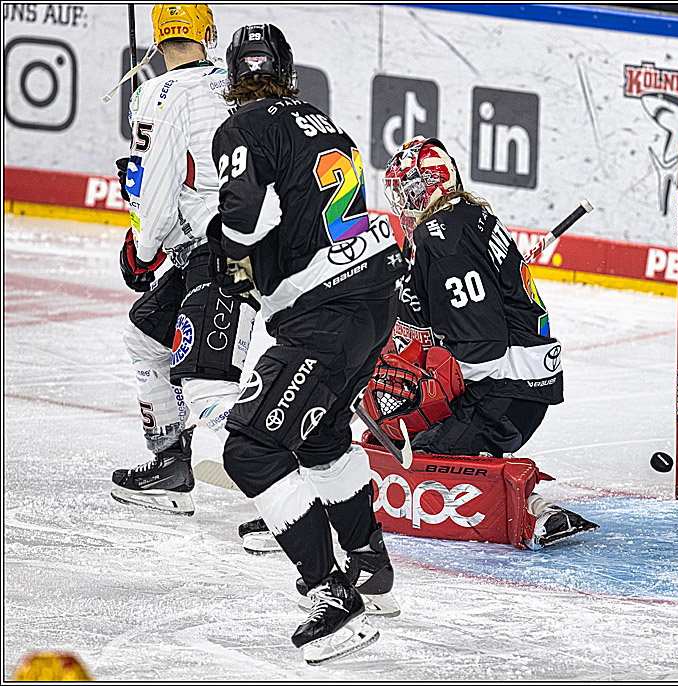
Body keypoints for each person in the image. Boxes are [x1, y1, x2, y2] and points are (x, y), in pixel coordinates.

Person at [209, 24, 405, 664]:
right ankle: (372, 567)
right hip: (369, 300)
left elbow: (242, 222)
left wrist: (220, 244)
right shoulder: (323, 123)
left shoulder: (242, 127)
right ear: (288, 71)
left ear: (234, 76)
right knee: (320, 439)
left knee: (252, 447)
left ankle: (333, 591)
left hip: (322, 311)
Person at [377, 136, 598, 548]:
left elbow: (480, 349)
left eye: (412, 191)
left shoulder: (441, 239)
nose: (405, 203)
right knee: (397, 436)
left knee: (407, 460)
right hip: (521, 385)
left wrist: (428, 389)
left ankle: (531, 509)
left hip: (504, 394)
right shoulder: (466, 216)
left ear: (434, 184)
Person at [110, 4, 259, 517]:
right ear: (208, 33)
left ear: (159, 36)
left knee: (206, 382)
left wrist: (143, 247)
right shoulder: (235, 83)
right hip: (249, 246)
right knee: (146, 333)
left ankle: (284, 493)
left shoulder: (154, 95)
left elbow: (155, 184)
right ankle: (171, 463)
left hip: (217, 251)